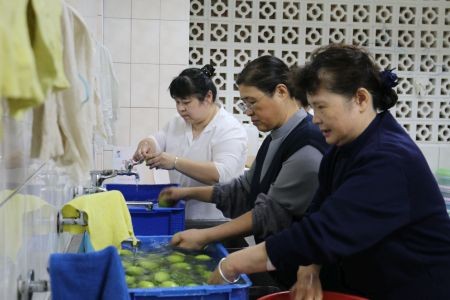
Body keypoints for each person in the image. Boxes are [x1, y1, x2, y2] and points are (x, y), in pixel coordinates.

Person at [206, 44, 450, 300]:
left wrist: (233, 264)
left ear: (361, 99)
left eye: (321, 107)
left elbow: (322, 232)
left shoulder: (388, 158)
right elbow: (319, 214)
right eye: (313, 107)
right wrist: (310, 264)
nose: (315, 119)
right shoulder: (342, 149)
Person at [159, 55, 328, 286]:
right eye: (244, 104)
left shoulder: (306, 145)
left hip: (306, 273)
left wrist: (205, 236)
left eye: (252, 102)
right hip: (281, 263)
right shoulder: (275, 138)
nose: (248, 112)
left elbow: (269, 212)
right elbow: (244, 188)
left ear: (281, 92)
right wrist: (185, 193)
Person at [132, 65, 247, 220]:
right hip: (181, 217)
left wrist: (175, 162)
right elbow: (158, 140)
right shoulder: (178, 122)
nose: (181, 109)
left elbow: (222, 175)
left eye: (186, 102)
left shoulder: (229, 128)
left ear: (208, 97)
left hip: (216, 221)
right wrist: (146, 144)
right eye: (177, 102)